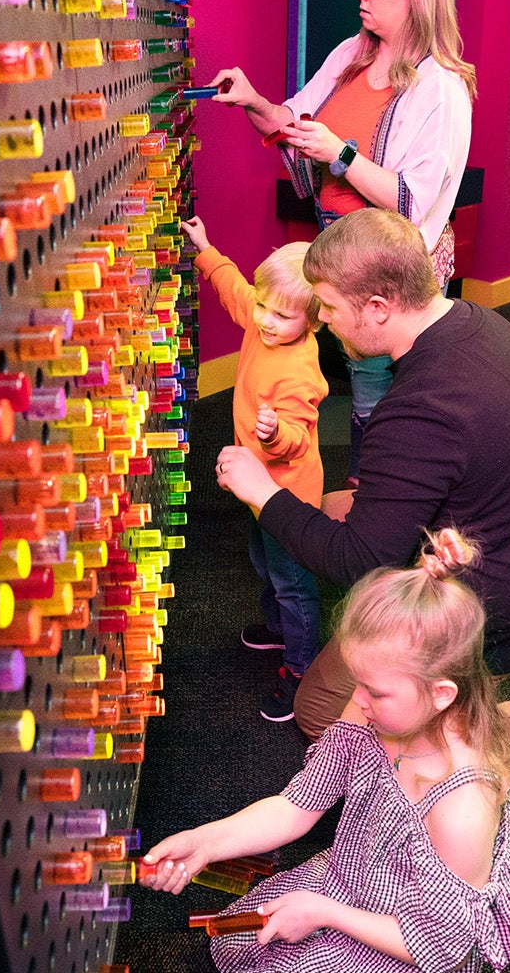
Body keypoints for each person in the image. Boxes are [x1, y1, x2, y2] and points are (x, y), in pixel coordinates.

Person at [213, 208, 510, 790]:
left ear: (378, 307)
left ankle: (508, 730)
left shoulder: (419, 407)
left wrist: (264, 492)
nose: (320, 322)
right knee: (330, 507)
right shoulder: (478, 323)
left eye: (326, 306)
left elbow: (358, 562)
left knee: (321, 713)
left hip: (486, 610)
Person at [139, 530, 510, 973]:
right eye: (356, 681)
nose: (358, 700)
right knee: (248, 940)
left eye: (376, 692)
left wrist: (328, 914)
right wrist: (205, 843)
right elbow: (296, 806)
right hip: (363, 873)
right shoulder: (369, 712)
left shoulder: (462, 809)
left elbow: (441, 948)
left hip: (420, 936)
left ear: (441, 694)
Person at [207, 0, 474, 480]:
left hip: (393, 273)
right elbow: (295, 121)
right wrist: (253, 100)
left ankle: (380, 505)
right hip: (347, 260)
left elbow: (411, 203)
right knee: (362, 392)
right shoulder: (353, 53)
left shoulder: (441, 89)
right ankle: (368, 495)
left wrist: (341, 155)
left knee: (384, 398)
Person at [181, 215, 328, 722]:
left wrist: (273, 434)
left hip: (287, 493)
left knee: (292, 579)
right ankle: (279, 628)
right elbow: (236, 290)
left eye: (282, 316)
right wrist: (206, 250)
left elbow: (298, 438)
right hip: (256, 487)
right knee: (263, 563)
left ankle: (302, 664)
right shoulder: (262, 322)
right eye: (265, 307)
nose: (265, 319)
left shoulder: (299, 370)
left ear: (312, 321)